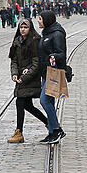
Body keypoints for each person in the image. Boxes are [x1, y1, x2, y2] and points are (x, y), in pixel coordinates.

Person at [7, 18, 49, 143]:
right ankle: (49, 123)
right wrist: (14, 74)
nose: (23, 30)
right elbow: (14, 61)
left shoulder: (34, 41)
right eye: (21, 27)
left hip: (30, 78)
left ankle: (19, 132)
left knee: (20, 103)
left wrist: (24, 77)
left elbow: (36, 63)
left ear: (30, 29)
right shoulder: (17, 42)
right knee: (27, 105)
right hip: (21, 78)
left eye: (25, 27)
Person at [37, 10, 67, 144]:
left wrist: (53, 57)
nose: (38, 21)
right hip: (45, 73)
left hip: (53, 72)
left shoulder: (57, 34)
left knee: (44, 100)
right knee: (49, 102)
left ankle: (57, 129)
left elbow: (62, 54)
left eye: (40, 19)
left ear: (46, 20)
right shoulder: (46, 32)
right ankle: (51, 133)